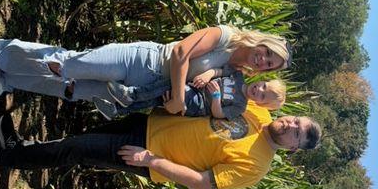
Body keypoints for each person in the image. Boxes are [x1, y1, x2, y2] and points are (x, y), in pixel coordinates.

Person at [0, 104, 321, 189]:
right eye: (295, 122)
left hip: (147, 153)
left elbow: (201, 182)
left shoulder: (256, 167)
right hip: (150, 122)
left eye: (296, 134)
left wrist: (152, 160)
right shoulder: (259, 112)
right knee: (79, 140)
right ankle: (19, 149)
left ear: (291, 150)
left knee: (76, 150)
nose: (290, 126)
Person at [0, 25, 291, 116]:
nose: (263, 61)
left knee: (72, 89)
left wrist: (175, 103)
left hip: (144, 90)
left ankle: (9, 79)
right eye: (267, 54)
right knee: (67, 64)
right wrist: (179, 97)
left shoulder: (237, 74)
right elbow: (181, 52)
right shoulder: (226, 36)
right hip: (145, 60)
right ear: (264, 43)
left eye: (269, 65)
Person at [93, 68, 287, 120]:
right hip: (195, 86)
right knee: (160, 96)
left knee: (176, 89)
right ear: (263, 80)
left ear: (260, 104)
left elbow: (219, 114)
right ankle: (117, 110)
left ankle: (131, 95)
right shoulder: (238, 76)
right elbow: (219, 71)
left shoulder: (240, 106)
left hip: (198, 104)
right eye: (263, 86)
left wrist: (217, 98)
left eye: (262, 96)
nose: (259, 90)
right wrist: (209, 74)